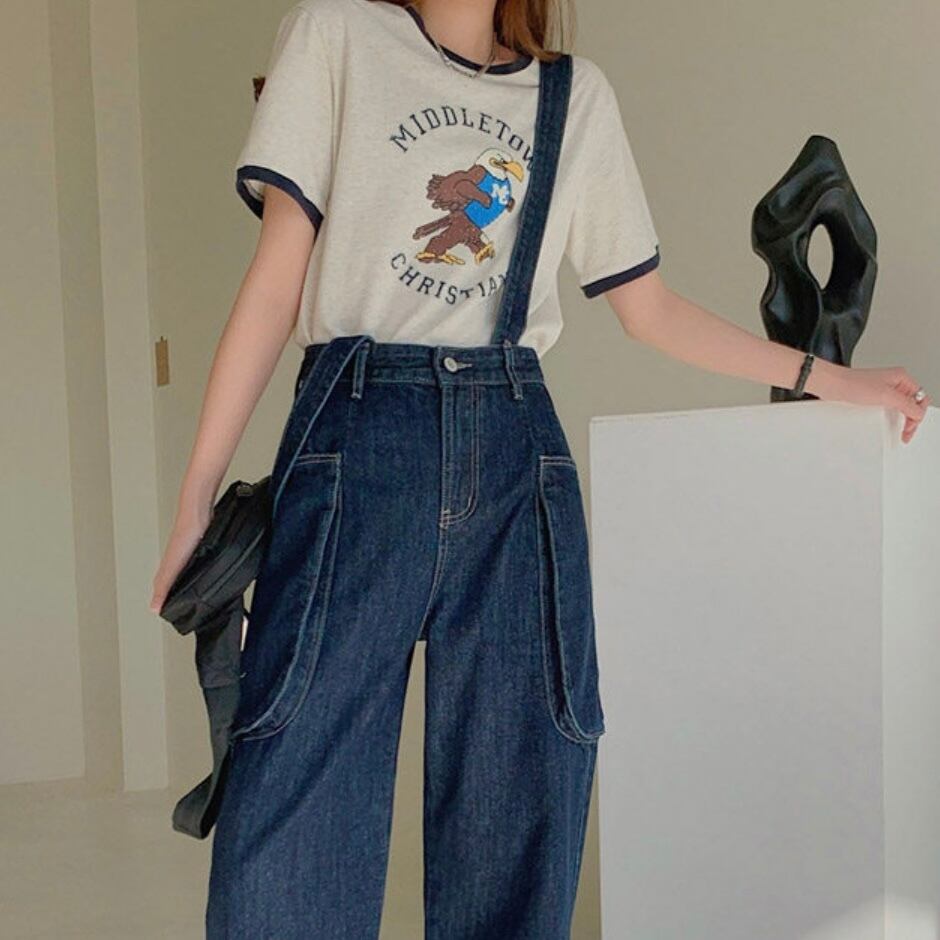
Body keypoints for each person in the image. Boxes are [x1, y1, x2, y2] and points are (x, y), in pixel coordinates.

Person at [149, 1, 931, 936]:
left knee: (521, 791)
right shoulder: (337, 36)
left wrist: (828, 378)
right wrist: (197, 498)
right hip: (357, 438)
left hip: (516, 450)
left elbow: (647, 309)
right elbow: (278, 276)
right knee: (294, 785)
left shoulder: (573, 96)